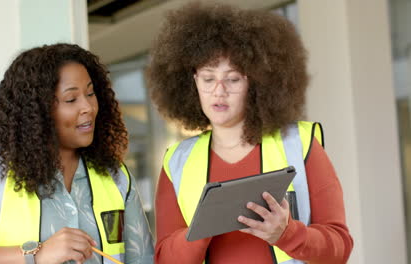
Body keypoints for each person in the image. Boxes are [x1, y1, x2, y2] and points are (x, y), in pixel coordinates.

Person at [146, 2, 353, 264]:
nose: (219, 91)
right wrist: (202, 228)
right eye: (208, 79)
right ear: (192, 82)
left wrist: (286, 233)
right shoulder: (177, 161)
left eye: (232, 79)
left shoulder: (299, 144)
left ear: (255, 82)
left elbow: (339, 248)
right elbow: (165, 259)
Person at [0, 43, 154, 264]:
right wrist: (37, 254)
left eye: (91, 94)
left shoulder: (115, 175)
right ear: (37, 110)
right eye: (71, 99)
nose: (88, 107)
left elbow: (142, 259)